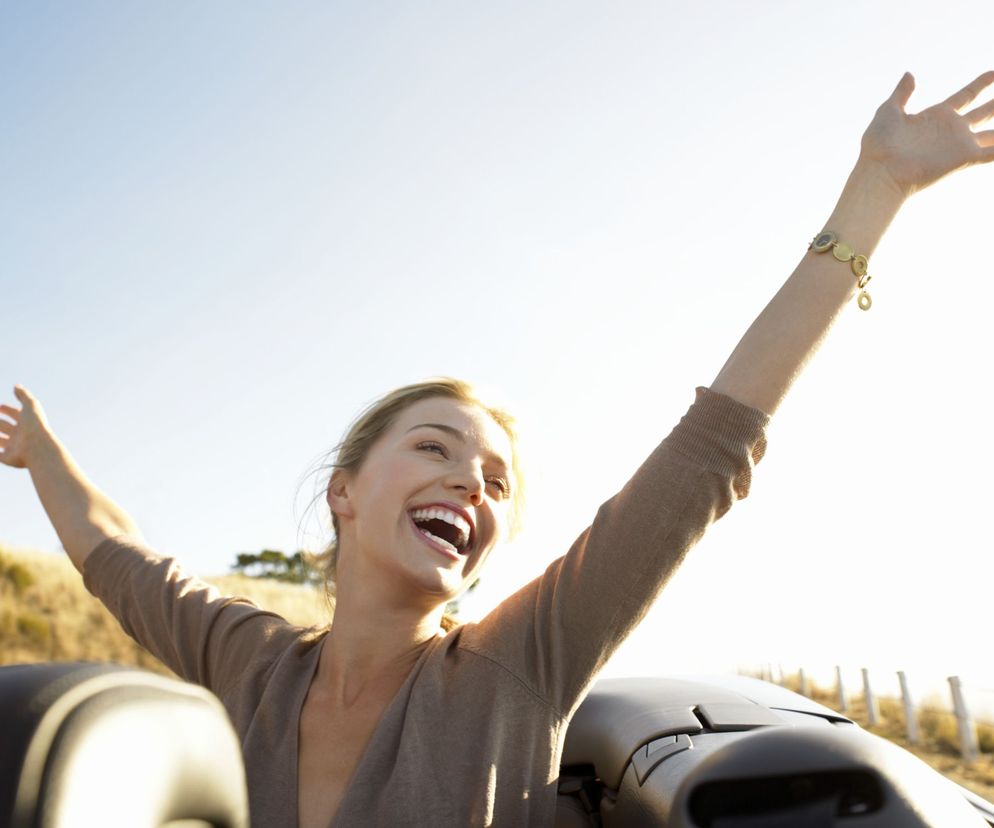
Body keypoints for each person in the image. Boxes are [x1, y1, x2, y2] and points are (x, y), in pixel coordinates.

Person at [2, 71, 993, 828]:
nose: (468, 483)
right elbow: (114, 556)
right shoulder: (248, 661)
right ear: (344, 492)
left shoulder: (520, 661)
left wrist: (876, 191)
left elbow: (708, 449)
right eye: (434, 447)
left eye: (494, 481)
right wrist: (41, 450)